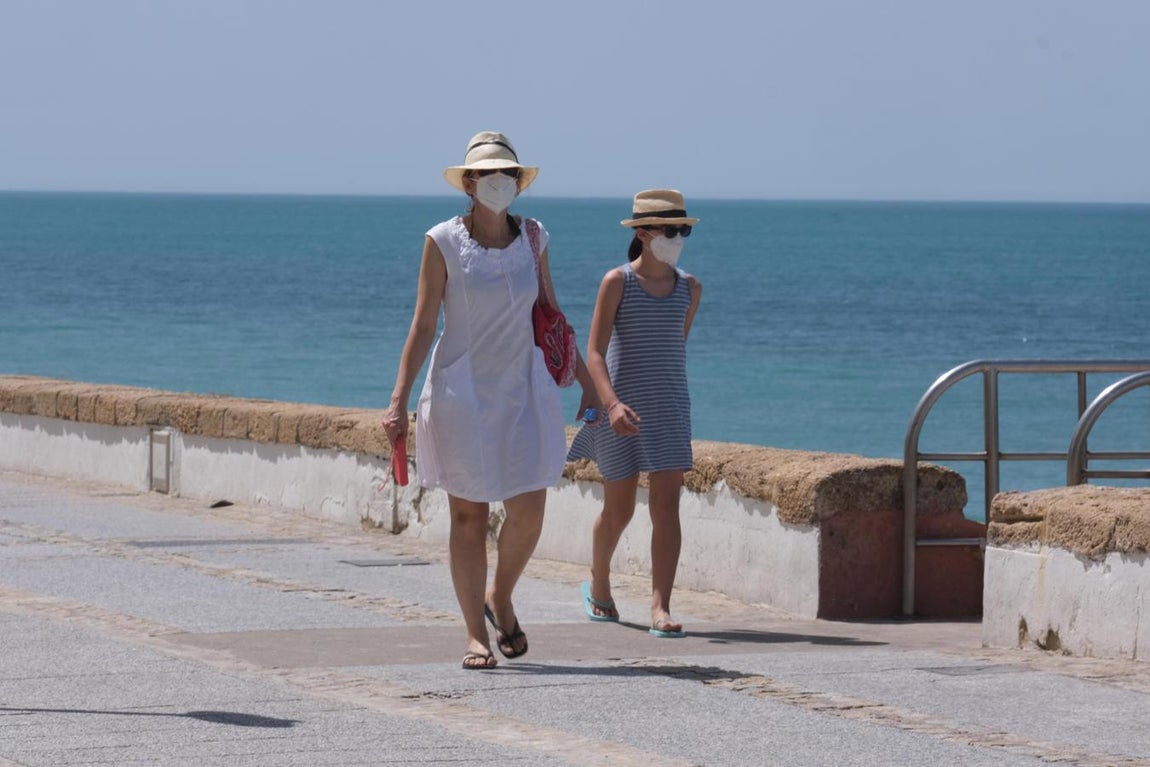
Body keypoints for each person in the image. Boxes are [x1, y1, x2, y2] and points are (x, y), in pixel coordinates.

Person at [382, 131, 596, 669]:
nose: (501, 182)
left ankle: (500, 596)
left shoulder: (535, 238)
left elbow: (551, 315)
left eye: (510, 174)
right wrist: (398, 400)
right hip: (462, 393)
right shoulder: (442, 241)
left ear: (518, 184)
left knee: (529, 509)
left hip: (525, 390)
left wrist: (591, 388)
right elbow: (425, 322)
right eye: (490, 174)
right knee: (469, 517)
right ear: (471, 182)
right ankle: (476, 634)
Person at [567, 189, 702, 638]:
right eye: (670, 230)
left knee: (668, 507)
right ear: (643, 233)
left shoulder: (691, 288)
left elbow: (672, 350)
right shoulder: (617, 282)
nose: (678, 237)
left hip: (670, 410)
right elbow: (595, 352)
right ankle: (599, 583)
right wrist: (611, 403)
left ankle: (660, 606)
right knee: (618, 511)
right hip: (618, 410)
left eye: (683, 230)